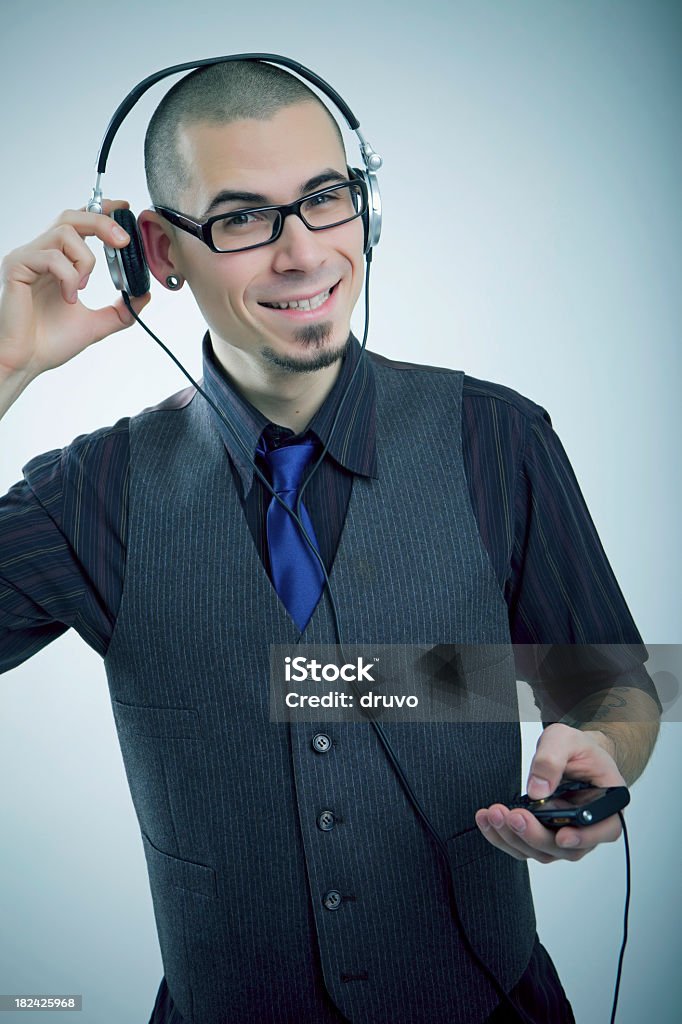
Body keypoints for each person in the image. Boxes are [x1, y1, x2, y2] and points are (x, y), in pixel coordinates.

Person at [0, 59, 661, 1024]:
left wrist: (602, 743)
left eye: (324, 198)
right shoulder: (91, 493)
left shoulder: (498, 437)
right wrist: (2, 367)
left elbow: (617, 683)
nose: (304, 254)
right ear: (159, 250)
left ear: (368, 207)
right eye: (240, 218)